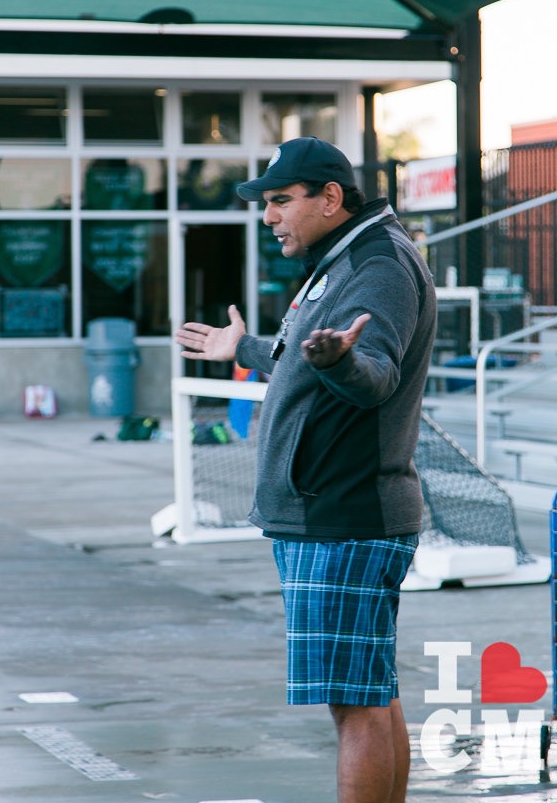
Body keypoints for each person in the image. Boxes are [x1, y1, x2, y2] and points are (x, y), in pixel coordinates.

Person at [175, 137, 437, 803]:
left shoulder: (376, 265)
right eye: (265, 204)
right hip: (332, 512)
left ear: (330, 197)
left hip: (342, 516)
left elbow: (370, 373)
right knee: (370, 693)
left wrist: (336, 363)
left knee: (355, 705)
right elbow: (312, 353)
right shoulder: (345, 258)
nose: (269, 217)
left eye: (281, 201)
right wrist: (250, 349)